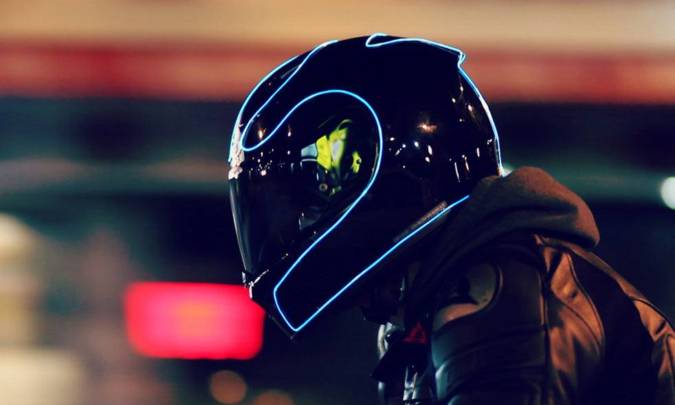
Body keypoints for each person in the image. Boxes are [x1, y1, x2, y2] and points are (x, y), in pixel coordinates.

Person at [227, 34, 675, 404]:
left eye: (327, 182)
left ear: (393, 160)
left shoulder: (502, 291)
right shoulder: (426, 306)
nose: (305, 216)